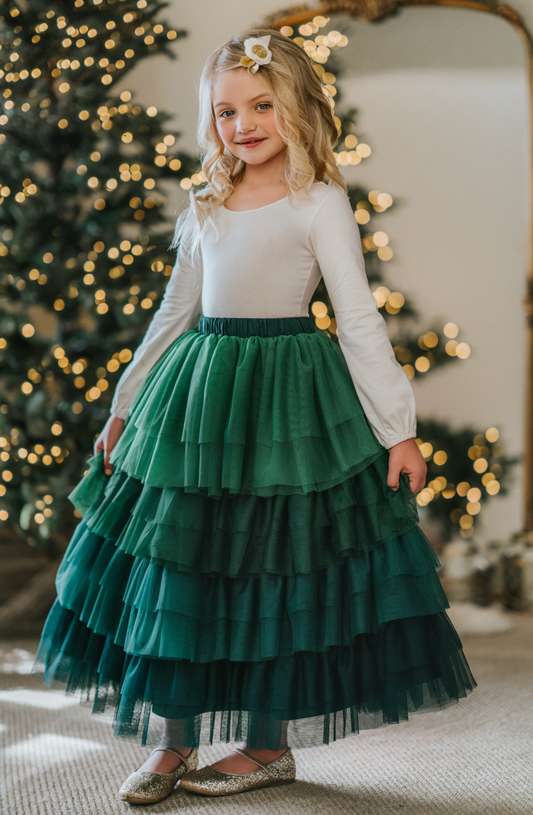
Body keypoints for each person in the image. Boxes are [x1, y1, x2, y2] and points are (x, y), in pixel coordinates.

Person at [33, 28, 477, 804]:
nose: (243, 123)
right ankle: (171, 743)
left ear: (296, 107)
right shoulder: (206, 201)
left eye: (261, 105)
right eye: (226, 110)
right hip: (197, 397)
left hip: (286, 398)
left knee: (276, 562)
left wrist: (397, 429)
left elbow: (358, 319)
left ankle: (266, 746)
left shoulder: (320, 202)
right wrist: (124, 406)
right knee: (182, 564)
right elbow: (174, 310)